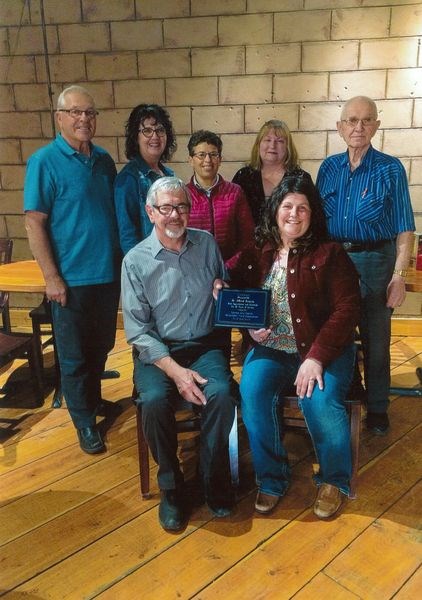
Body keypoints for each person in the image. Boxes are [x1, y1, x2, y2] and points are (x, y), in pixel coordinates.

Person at [226, 174, 361, 519]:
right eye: (287, 206)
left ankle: (334, 480)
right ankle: (271, 478)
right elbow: (232, 287)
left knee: (318, 399)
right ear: (275, 210)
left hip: (323, 350)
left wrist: (316, 358)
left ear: (313, 213)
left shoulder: (330, 254)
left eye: (303, 207)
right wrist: (245, 320)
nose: (294, 214)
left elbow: (347, 309)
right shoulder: (257, 252)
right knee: (252, 392)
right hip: (272, 348)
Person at [121, 176, 238, 532]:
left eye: (182, 207)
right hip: (159, 351)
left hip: (203, 346)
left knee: (221, 394)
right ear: (150, 212)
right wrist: (176, 372)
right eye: (166, 208)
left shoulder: (205, 244)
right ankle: (171, 486)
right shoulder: (135, 261)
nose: (175, 215)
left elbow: (224, 285)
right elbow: (138, 332)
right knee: (154, 400)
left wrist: (223, 288)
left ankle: (211, 476)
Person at [24, 85, 121, 454]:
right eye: (76, 112)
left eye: (90, 113)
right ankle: (83, 421)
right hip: (70, 281)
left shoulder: (103, 161)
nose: (84, 119)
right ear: (60, 117)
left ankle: (93, 402)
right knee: (74, 354)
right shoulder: (44, 161)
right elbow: (34, 223)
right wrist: (52, 278)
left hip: (106, 275)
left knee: (102, 346)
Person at [316, 96, 415, 436]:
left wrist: (398, 276)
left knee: (375, 340)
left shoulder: (390, 169)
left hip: (375, 261)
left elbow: (405, 229)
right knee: (336, 333)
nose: (359, 127)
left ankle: (377, 408)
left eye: (367, 120)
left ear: (376, 125)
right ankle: (345, 395)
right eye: (352, 120)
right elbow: (315, 224)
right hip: (334, 262)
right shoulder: (328, 168)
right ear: (340, 126)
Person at [186, 130, 255, 269]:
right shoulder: (183, 194)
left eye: (213, 155)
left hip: (230, 274)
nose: (207, 160)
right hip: (194, 273)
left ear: (220, 159)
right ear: (191, 160)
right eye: (201, 155)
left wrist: (227, 268)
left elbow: (248, 239)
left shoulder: (235, 192)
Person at [114, 104, 176, 255]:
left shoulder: (169, 175)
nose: (155, 136)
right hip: (148, 267)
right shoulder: (128, 179)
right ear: (136, 137)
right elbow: (127, 236)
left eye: (160, 130)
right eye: (147, 131)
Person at [232, 119, 312, 224]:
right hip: (249, 239)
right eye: (268, 140)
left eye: (279, 141)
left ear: (288, 147)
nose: (273, 146)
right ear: (258, 144)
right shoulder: (243, 176)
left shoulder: (301, 178)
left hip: (290, 239)